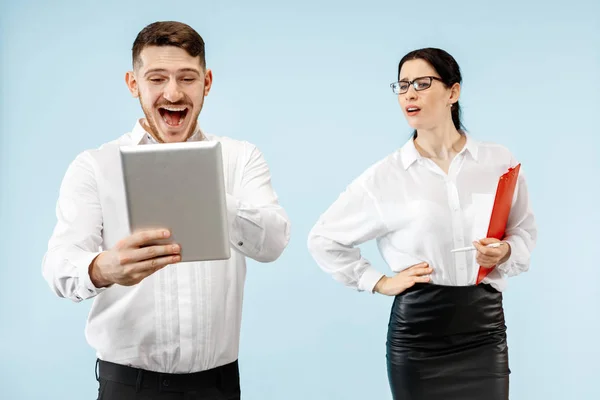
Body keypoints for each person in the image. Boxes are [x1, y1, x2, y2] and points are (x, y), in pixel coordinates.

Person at [42, 21, 291, 400]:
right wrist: (103, 268)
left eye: (187, 78)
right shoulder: (94, 165)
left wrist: (206, 192)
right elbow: (59, 266)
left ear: (206, 83)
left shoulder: (241, 158)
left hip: (218, 386)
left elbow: (272, 242)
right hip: (128, 387)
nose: (173, 92)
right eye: (157, 78)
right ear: (133, 84)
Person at [307, 47, 537, 400]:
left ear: (453, 92)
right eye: (402, 85)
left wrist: (505, 251)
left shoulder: (498, 161)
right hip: (418, 336)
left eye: (422, 83)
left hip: (484, 330)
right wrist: (378, 281)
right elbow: (323, 238)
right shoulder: (385, 177)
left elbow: (522, 230)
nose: (409, 93)